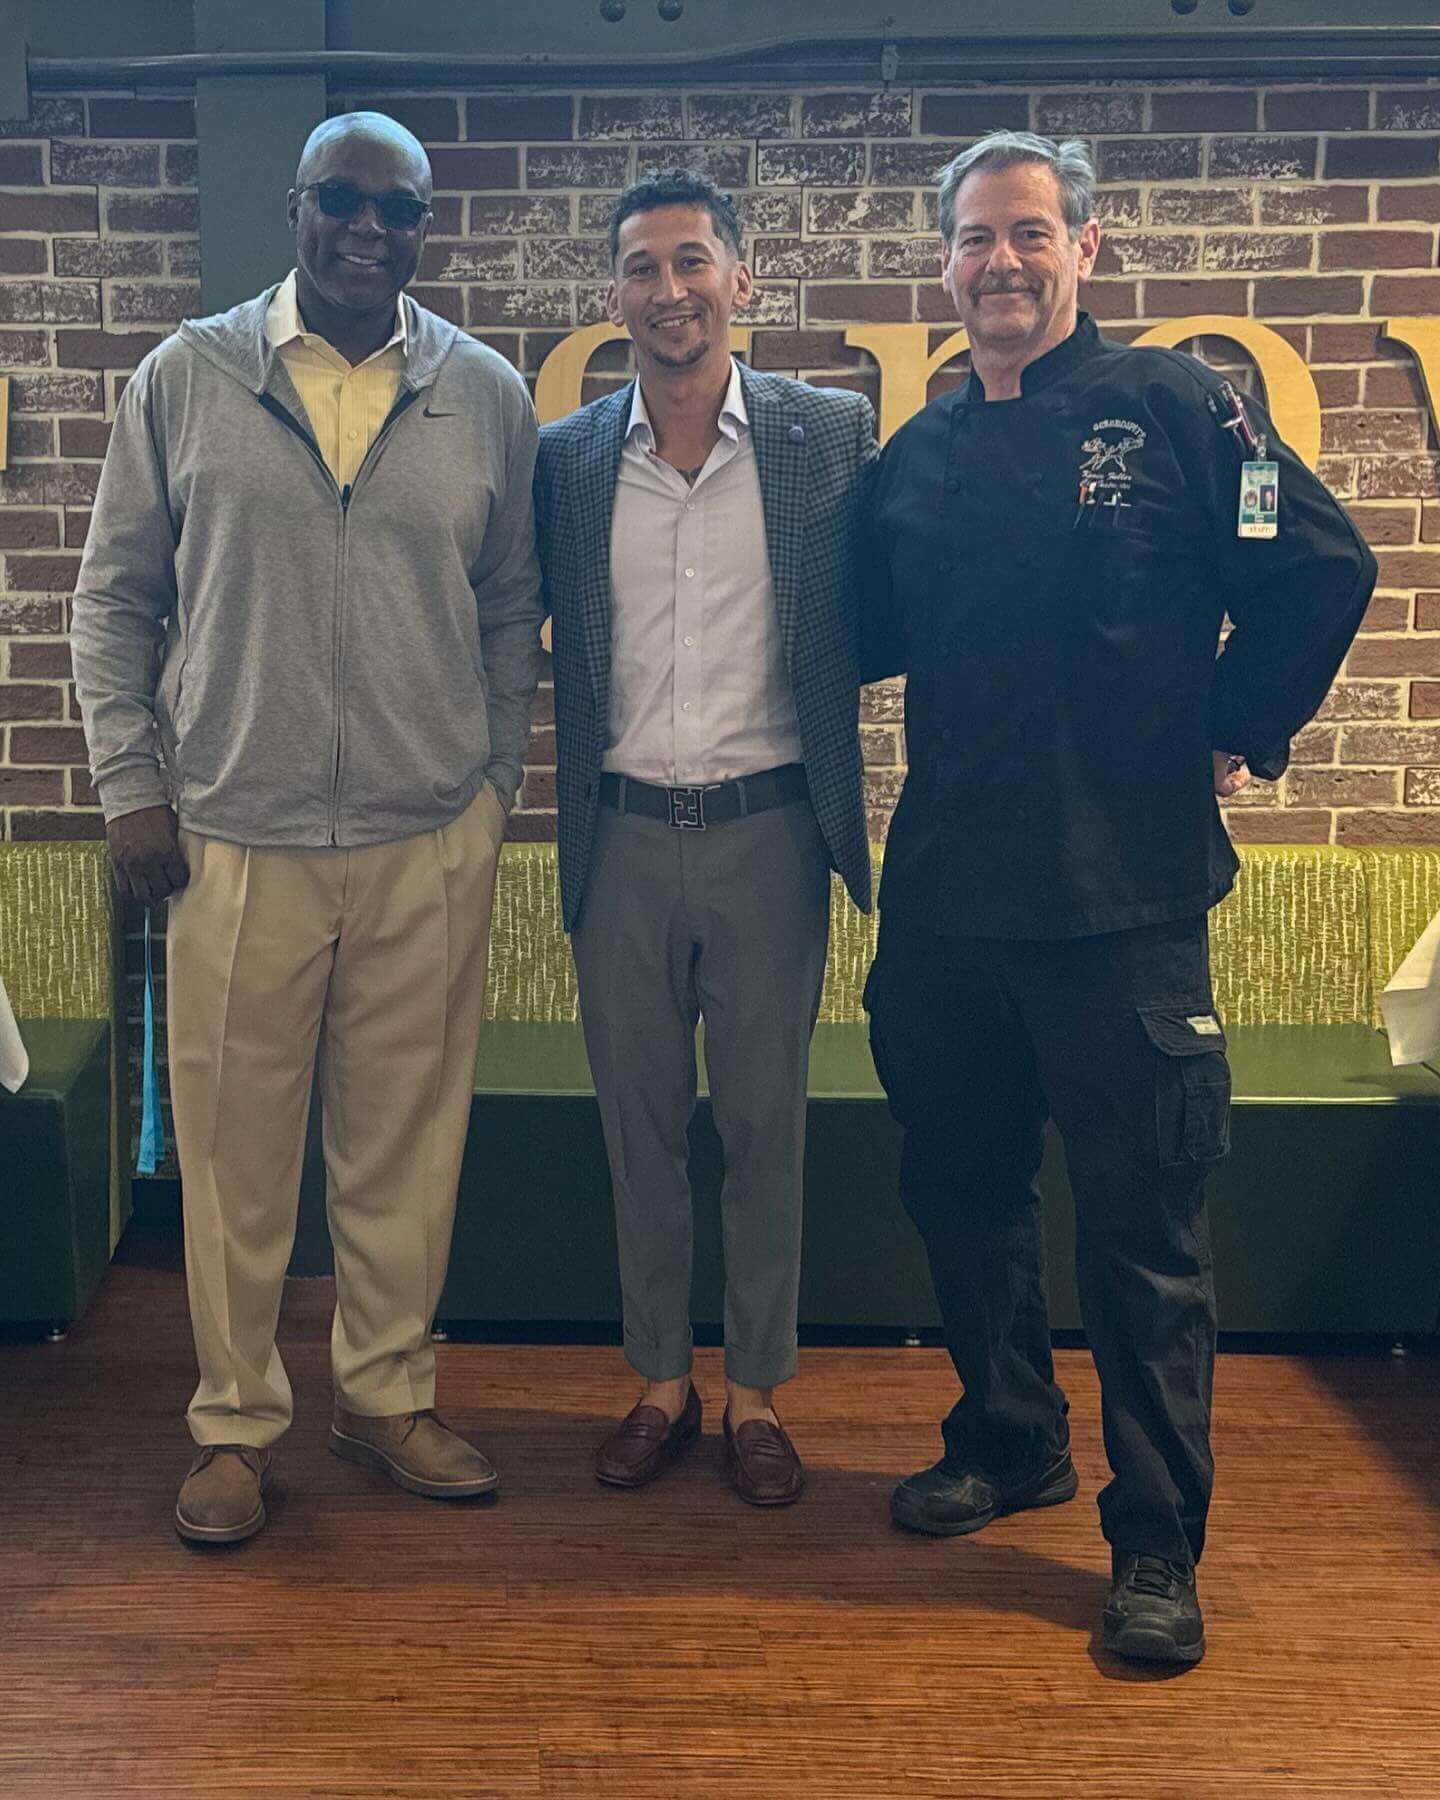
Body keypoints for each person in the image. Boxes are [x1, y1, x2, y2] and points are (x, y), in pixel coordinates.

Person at [862, 130, 1376, 1664]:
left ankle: (1156, 1542)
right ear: (945, 264)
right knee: (964, 1197)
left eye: (1030, 232)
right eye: (975, 238)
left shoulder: (1183, 407)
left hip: (1124, 907)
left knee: (1145, 1244)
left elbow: (1320, 565)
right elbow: (850, 634)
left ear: (1085, 247)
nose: (1001, 262)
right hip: (946, 906)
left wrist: (1236, 723)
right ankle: (1009, 1435)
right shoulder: (918, 454)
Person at [71, 113, 545, 1544]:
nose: (368, 231)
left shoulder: (482, 392)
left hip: (426, 837)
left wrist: (492, 788)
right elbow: (113, 601)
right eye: (343, 200)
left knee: (405, 1146)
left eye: (399, 212)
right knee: (232, 1158)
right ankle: (233, 1424)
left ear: (423, 230)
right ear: (296, 208)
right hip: (233, 838)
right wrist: (131, 787)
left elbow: (511, 608)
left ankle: (385, 1397)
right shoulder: (187, 375)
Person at [535, 170, 875, 1506]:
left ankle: (756, 1396)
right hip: (619, 832)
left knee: (762, 1128)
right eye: (642, 268)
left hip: (770, 831)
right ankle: (660, 1383)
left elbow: (884, 609)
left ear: (741, 278)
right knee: (639, 1131)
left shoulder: (828, 435)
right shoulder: (567, 459)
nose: (668, 290)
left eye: (691, 262)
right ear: (614, 294)